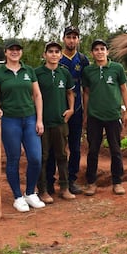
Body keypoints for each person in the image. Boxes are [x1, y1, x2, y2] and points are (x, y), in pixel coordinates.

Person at [0, 41, 46, 212]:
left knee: (36, 158)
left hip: (29, 119)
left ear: (21, 52)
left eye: (17, 50)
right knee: (13, 158)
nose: (15, 52)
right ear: (5, 52)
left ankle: (30, 192)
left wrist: (39, 119)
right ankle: (17, 197)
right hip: (9, 120)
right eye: (11, 50)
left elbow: (37, 95)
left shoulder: (29, 71)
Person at [81, 38, 127, 196]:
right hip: (94, 116)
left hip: (113, 115)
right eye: (96, 49)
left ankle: (117, 182)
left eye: (102, 49)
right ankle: (91, 183)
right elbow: (87, 93)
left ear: (107, 52)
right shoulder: (88, 71)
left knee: (115, 150)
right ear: (92, 53)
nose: (99, 52)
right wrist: (85, 115)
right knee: (93, 151)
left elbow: (124, 90)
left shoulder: (117, 68)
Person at [46, 25, 90, 195]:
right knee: (53, 147)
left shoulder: (83, 60)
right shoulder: (57, 58)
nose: (72, 40)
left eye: (75, 37)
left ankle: (71, 180)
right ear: (64, 38)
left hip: (77, 109)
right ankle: (50, 181)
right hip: (57, 109)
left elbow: (86, 89)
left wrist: (85, 112)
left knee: (75, 148)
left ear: (78, 40)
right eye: (69, 37)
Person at [36, 41, 76, 203]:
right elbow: (33, 95)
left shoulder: (64, 73)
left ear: (60, 55)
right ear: (44, 54)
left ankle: (64, 188)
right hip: (42, 123)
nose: (54, 54)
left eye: (57, 52)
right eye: (50, 51)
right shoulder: (36, 73)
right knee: (43, 157)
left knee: (62, 155)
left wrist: (71, 109)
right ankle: (43, 190)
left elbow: (70, 92)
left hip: (60, 122)